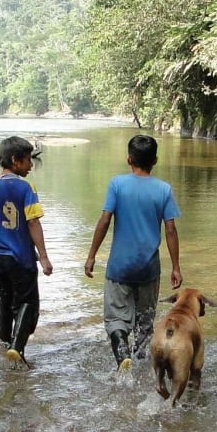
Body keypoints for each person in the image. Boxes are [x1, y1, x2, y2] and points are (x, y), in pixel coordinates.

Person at [83, 134, 181, 370]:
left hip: (119, 267)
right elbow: (170, 230)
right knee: (145, 323)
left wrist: (92, 255)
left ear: (129, 159)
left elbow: (105, 220)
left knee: (116, 319)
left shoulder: (117, 184)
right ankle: (139, 367)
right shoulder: (164, 190)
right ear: (155, 160)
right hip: (148, 268)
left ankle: (122, 356)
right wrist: (176, 266)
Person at [0, 136, 53, 366]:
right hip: (20, 255)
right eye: (28, 160)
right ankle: (17, 348)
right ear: (15, 160)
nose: (31, 165)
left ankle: (2, 341)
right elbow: (32, 222)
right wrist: (44, 257)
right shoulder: (25, 187)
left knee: (5, 298)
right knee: (28, 302)